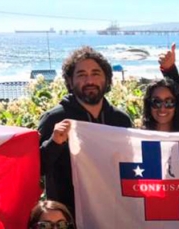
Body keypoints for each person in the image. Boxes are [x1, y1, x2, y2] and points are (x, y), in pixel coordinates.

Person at [38, 46, 133, 215]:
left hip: (112, 215)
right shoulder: (54, 119)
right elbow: (36, 169)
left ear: (107, 79)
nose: (89, 81)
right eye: (81, 75)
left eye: (96, 73)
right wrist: (54, 143)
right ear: (70, 81)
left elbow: (133, 169)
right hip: (68, 218)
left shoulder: (121, 120)